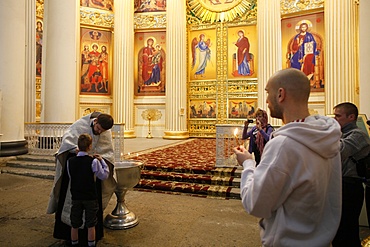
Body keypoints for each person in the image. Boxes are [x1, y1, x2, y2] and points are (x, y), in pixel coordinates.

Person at [233, 68, 342, 246]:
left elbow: (256, 203)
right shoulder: (328, 137)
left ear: (281, 94)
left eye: (268, 93)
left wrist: (248, 164)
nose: (267, 101)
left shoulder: (284, 144)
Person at [47, 112, 116, 246]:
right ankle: (70, 237)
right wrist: (76, 150)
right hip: (77, 178)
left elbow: (108, 151)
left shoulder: (104, 131)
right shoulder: (80, 125)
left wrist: (101, 160)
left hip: (92, 179)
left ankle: (86, 239)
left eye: (102, 131)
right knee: (73, 209)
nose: (99, 132)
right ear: (95, 121)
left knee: (90, 214)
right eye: (98, 129)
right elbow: (66, 144)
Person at [332, 102, 370, 247]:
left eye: (338, 116)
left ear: (351, 117)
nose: (335, 119)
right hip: (339, 185)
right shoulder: (339, 134)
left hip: (350, 187)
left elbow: (338, 152)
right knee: (338, 230)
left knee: (347, 229)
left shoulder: (358, 135)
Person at [67, 133, 110, 247]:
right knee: (91, 223)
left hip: (76, 196)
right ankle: (91, 245)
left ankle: (74, 244)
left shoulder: (70, 161)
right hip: (90, 196)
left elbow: (71, 176)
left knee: (74, 223)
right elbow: (103, 175)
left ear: (78, 146)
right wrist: (102, 161)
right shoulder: (93, 161)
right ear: (90, 147)